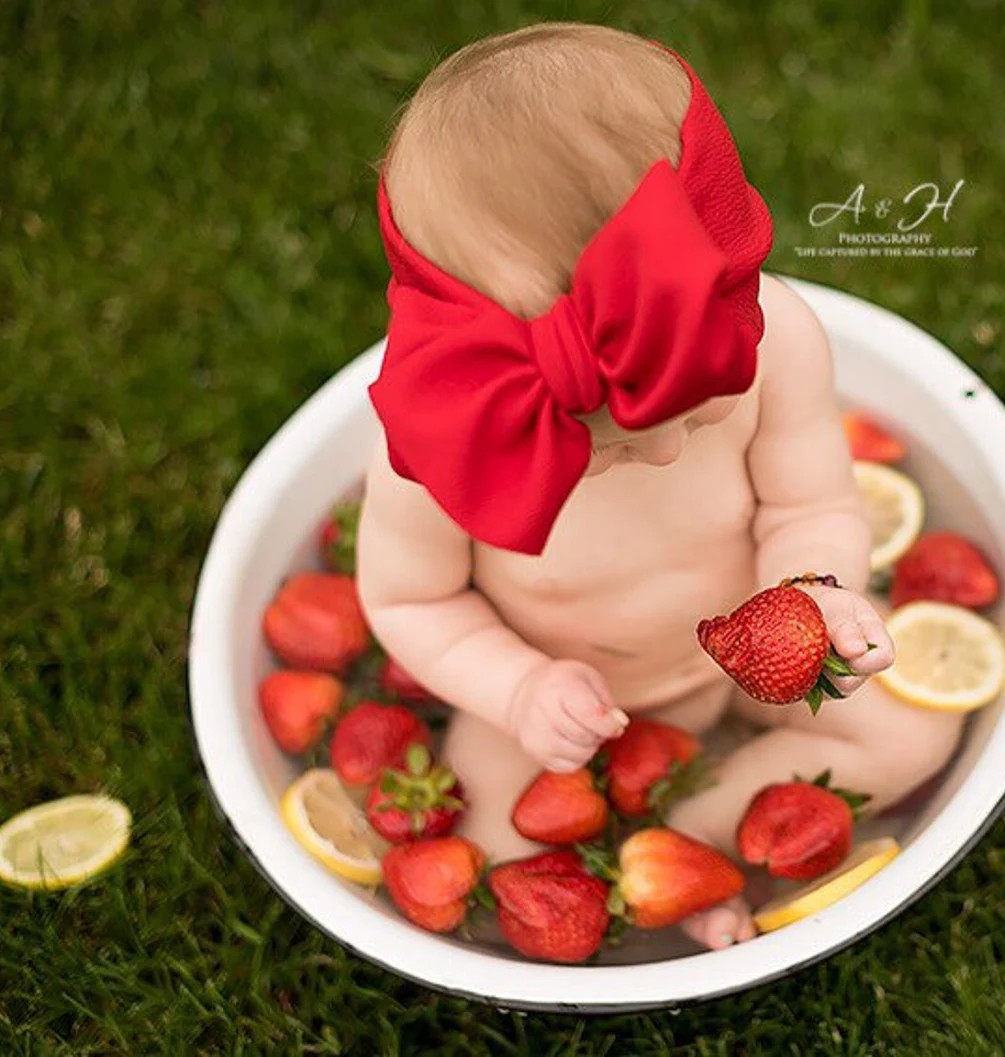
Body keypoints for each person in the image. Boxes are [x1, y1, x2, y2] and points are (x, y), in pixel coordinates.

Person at [355, 22, 963, 949]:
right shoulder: (439, 437)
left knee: (916, 734)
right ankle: (645, 866)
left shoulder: (782, 339)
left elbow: (810, 506)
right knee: (486, 848)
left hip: (740, 654)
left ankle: (696, 833)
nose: (674, 452)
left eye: (707, 407)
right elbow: (410, 599)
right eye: (607, 446)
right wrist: (518, 688)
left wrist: (814, 592)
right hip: (548, 694)